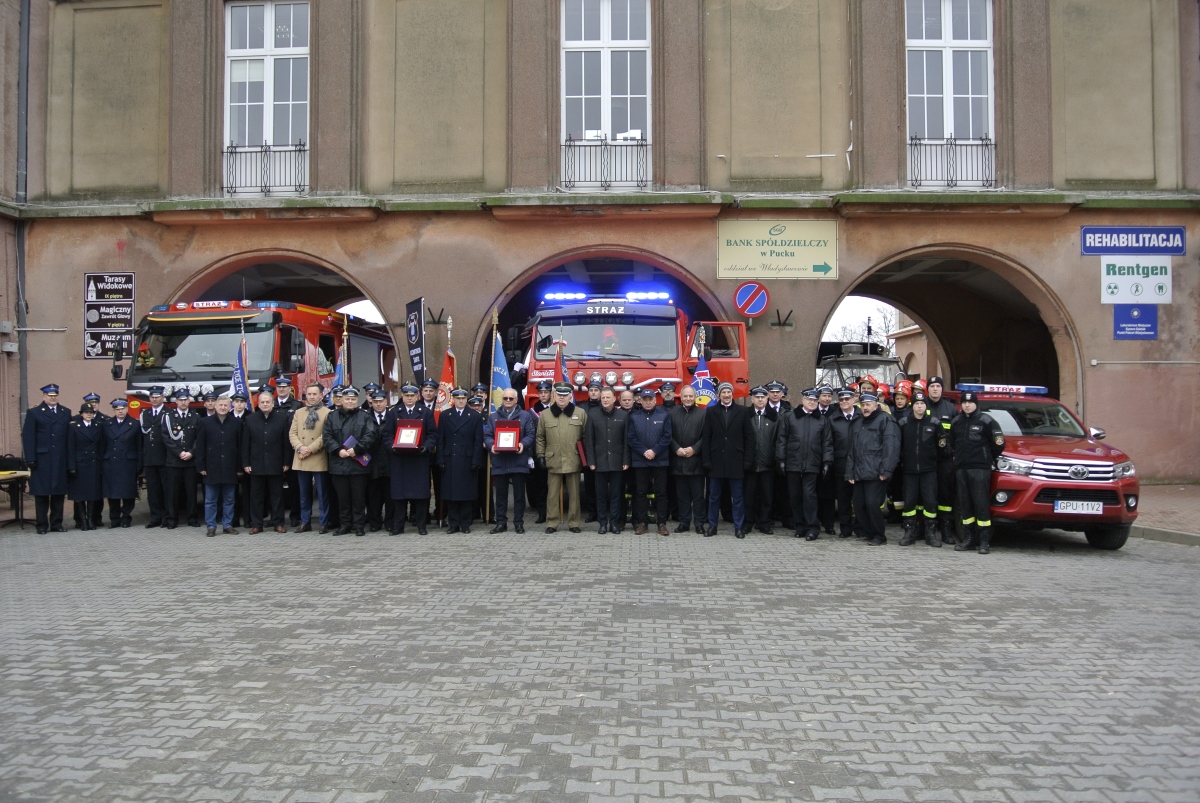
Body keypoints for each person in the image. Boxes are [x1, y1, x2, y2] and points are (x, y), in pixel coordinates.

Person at [949, 390, 1006, 554]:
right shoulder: (956, 422)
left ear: (976, 404)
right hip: (961, 469)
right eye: (964, 402)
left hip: (980, 469)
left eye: (970, 402)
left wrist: (986, 458)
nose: (967, 405)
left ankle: (984, 541)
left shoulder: (987, 421)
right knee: (965, 505)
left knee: (981, 504)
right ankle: (968, 539)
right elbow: (952, 443)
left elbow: (998, 445)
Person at [381, 381, 437, 535]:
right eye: (407, 395)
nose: (410, 398)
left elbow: (433, 434)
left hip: (419, 459)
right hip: (400, 460)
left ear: (417, 396)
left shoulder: (425, 412)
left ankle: (421, 526)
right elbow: (387, 435)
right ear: (402, 396)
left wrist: (426, 446)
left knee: (420, 495)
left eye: (412, 395)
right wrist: (392, 447)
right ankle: (398, 527)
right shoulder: (393, 412)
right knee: (399, 496)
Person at [777, 388, 833, 540]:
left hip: (812, 463)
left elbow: (827, 443)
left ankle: (812, 528)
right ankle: (799, 526)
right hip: (793, 462)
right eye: (809, 400)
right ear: (803, 401)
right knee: (795, 497)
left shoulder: (822, 420)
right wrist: (781, 460)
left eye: (815, 400)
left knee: (809, 497)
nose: (812, 402)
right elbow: (782, 440)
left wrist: (827, 461)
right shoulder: (790, 417)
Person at [701, 382, 755, 538]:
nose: (726, 395)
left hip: (736, 461)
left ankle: (738, 527)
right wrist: (706, 460)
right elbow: (706, 438)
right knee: (713, 497)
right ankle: (712, 526)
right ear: (718, 395)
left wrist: (747, 460)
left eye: (728, 392)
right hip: (716, 461)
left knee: (737, 497)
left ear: (732, 395)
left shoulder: (742, 412)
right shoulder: (711, 412)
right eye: (723, 392)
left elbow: (749, 438)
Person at [845, 392, 900, 546]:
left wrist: (886, 470)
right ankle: (867, 532)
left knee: (872, 504)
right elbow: (852, 449)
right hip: (859, 472)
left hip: (876, 472)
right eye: (863, 405)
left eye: (868, 404)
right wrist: (850, 472)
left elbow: (891, 447)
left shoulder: (886, 420)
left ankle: (879, 535)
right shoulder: (858, 422)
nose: (865, 408)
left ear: (876, 405)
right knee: (859, 504)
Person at [323, 387, 378, 536]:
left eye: (353, 399)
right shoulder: (332, 416)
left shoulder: (365, 416)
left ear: (357, 400)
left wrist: (358, 449)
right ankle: (345, 524)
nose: (350, 401)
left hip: (358, 464)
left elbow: (371, 434)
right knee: (342, 498)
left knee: (358, 497)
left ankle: (359, 525)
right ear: (341, 399)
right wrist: (337, 450)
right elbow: (327, 437)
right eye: (347, 399)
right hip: (338, 464)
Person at [535, 382, 588, 533]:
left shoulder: (581, 413)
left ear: (570, 396)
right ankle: (551, 523)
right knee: (552, 494)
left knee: (574, 493)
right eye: (559, 395)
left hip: (573, 458)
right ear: (554, 396)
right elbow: (540, 437)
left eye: (565, 395)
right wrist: (540, 455)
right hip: (553, 458)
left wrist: (585, 458)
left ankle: (574, 523)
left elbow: (585, 438)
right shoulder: (545, 415)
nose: (562, 398)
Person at [241, 387, 293, 534]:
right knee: (256, 496)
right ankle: (257, 524)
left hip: (276, 464)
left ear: (272, 403)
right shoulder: (250, 420)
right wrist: (246, 463)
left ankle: (278, 523)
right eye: (262, 402)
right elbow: (245, 444)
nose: (265, 404)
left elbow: (286, 443)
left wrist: (286, 462)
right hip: (256, 464)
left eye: (267, 402)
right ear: (258, 403)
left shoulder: (282, 419)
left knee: (277, 495)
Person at [22, 384, 72, 533]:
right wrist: (30, 458)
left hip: (60, 459)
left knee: (58, 493)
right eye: (50, 396)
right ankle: (42, 525)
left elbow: (69, 439)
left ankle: (57, 524)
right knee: (41, 494)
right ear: (44, 396)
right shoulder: (34, 412)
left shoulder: (65, 412)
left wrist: (70, 461)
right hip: (42, 458)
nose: (53, 398)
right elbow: (28, 437)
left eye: (55, 395)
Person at [484, 387, 535, 533]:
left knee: (519, 495)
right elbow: (487, 435)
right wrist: (491, 445)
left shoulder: (525, 416)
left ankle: (518, 523)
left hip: (518, 460)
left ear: (516, 400)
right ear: (502, 399)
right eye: (505, 398)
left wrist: (522, 444)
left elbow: (531, 435)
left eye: (510, 399)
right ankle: (501, 523)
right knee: (500, 495)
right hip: (500, 460)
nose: (507, 401)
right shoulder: (493, 417)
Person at [898, 390, 944, 547]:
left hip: (929, 470)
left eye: (922, 403)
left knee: (930, 502)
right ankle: (909, 532)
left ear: (926, 406)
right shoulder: (904, 423)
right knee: (909, 503)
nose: (919, 406)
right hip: (909, 470)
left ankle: (930, 534)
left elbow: (942, 447)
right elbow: (898, 446)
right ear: (912, 406)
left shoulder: (935, 423)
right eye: (916, 404)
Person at [194, 395, 244, 536]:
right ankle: (211, 526)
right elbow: (200, 446)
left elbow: (240, 447)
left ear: (230, 407)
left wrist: (239, 468)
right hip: (211, 467)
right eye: (220, 405)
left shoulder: (237, 423)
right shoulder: (204, 422)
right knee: (210, 500)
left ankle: (227, 525)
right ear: (215, 406)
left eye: (225, 405)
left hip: (230, 467)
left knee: (229, 499)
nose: (223, 408)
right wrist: (201, 466)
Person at [436, 388, 484, 533]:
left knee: (466, 494)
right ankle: (453, 524)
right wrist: (440, 459)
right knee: (451, 495)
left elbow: (478, 441)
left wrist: (476, 460)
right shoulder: (445, 415)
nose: (461, 401)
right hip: (450, 458)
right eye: (458, 398)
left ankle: (465, 524)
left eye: (463, 398)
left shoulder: (474, 416)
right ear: (453, 400)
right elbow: (441, 439)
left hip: (467, 459)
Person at [583, 385, 630, 534]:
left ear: (614, 398)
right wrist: (591, 461)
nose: (604, 400)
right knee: (601, 496)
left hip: (617, 463)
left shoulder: (623, 415)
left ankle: (614, 523)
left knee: (616, 495)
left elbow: (626, 441)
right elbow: (589, 441)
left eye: (607, 397)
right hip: (599, 463)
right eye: (603, 397)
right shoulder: (593, 415)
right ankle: (602, 523)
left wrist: (626, 460)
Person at [628, 388, 672, 536]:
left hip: (660, 460)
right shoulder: (634, 417)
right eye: (644, 400)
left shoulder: (664, 415)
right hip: (640, 461)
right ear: (640, 401)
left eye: (650, 399)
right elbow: (631, 438)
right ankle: (642, 522)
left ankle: (661, 523)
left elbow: (667, 437)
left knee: (661, 493)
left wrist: (654, 451)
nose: (647, 402)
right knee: (640, 492)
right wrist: (644, 451)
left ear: (655, 400)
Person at [289, 382, 333, 533]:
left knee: (322, 493)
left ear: (321, 396)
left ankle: (324, 522)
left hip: (318, 456)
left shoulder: (327, 412)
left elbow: (325, 436)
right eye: (309, 394)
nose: (312, 397)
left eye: (315, 394)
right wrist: (300, 447)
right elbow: (292, 433)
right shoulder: (299, 412)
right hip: (301, 457)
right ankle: (305, 521)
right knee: (303, 493)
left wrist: (310, 449)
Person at [925, 376, 960, 545]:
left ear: (941, 389)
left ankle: (946, 531)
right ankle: (927, 531)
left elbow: (956, 435)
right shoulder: (921, 406)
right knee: (927, 496)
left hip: (945, 460)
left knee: (945, 496)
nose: (935, 389)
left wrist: (951, 452)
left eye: (938, 386)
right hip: (926, 460)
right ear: (928, 389)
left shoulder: (951, 409)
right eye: (932, 386)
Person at [160, 389, 201, 529]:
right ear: (175, 401)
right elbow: (166, 438)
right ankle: (172, 519)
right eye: (180, 400)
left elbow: (198, 438)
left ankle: (192, 518)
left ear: (189, 401)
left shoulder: (195, 416)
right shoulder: (168, 417)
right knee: (172, 493)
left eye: (185, 400)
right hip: (174, 461)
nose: (183, 402)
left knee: (191, 492)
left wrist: (191, 453)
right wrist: (179, 453)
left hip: (190, 461)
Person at [668, 385, 706, 534]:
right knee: (682, 496)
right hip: (678, 461)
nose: (688, 399)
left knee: (698, 496)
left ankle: (699, 523)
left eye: (691, 396)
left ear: (694, 397)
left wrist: (695, 449)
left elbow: (706, 436)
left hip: (696, 462)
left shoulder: (703, 414)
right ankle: (684, 522)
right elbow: (668, 434)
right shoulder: (672, 413)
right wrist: (676, 448)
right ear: (681, 397)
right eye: (685, 396)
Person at [744, 386, 779, 535]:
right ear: (752, 399)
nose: (759, 400)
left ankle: (764, 523)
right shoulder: (745, 416)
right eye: (757, 397)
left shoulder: (774, 418)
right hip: (750, 464)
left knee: (767, 497)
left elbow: (778, 440)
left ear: (767, 399)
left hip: (767, 464)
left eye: (762, 397)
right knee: (748, 496)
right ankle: (747, 523)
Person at [101, 399, 141, 527]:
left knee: (128, 492)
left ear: (127, 409)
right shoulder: (107, 424)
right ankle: (114, 518)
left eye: (122, 409)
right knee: (113, 493)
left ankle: (126, 517)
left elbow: (139, 446)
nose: (120, 411)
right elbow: (103, 445)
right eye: (117, 409)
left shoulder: (134, 424)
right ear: (114, 410)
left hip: (128, 463)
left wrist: (139, 465)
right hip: (111, 462)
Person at [829, 389, 863, 539]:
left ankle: (860, 528)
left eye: (847, 399)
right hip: (841, 464)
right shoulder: (833, 419)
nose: (844, 402)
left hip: (860, 465)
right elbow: (829, 443)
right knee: (843, 500)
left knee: (859, 500)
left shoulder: (862, 417)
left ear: (854, 399)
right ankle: (845, 528)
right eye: (841, 400)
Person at [67, 402, 105, 530]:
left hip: (93, 463)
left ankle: (91, 520)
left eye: (91, 413)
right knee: (80, 495)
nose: (89, 415)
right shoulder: (74, 427)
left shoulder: (98, 426)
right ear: (81, 414)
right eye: (86, 413)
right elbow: (70, 448)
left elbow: (101, 447)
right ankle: (82, 521)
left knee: (92, 494)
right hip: (80, 464)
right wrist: (71, 466)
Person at [274, 377, 304, 526]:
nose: (281, 389)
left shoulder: (297, 405)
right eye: (279, 387)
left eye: (284, 387)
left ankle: (295, 516)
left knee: (294, 486)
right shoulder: (270, 404)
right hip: (275, 451)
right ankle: (276, 518)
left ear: (289, 388)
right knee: (274, 487)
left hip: (293, 451)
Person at [138, 386, 169, 527]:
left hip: (164, 458)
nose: (154, 399)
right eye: (152, 397)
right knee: (152, 490)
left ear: (163, 397)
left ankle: (166, 517)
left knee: (166, 490)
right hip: (150, 458)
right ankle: (155, 517)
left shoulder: (168, 413)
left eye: (157, 396)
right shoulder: (145, 413)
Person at [364, 390, 394, 533]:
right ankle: (374, 522)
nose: (378, 404)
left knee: (390, 495)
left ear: (386, 402)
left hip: (389, 461)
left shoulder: (393, 416)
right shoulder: (365, 417)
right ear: (371, 403)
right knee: (373, 495)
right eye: (375, 401)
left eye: (381, 401)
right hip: (371, 461)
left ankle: (389, 521)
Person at [525, 379, 553, 524]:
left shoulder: (556, 409)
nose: (543, 395)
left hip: (554, 453)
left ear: (550, 394)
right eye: (541, 393)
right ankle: (542, 514)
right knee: (540, 485)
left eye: (546, 392)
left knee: (554, 485)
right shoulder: (531, 412)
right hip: (538, 453)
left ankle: (554, 513)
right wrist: (530, 456)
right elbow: (529, 435)